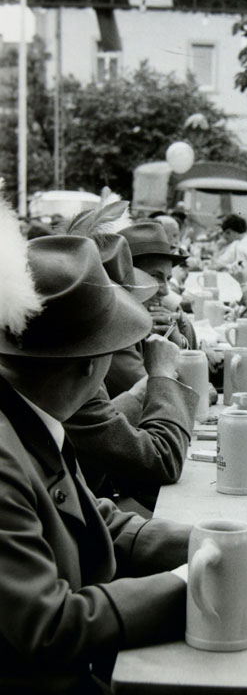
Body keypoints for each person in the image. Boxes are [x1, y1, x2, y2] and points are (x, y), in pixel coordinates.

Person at [0, 217, 193, 693]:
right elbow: (49, 627)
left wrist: (205, 541)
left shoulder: (31, 416)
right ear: (92, 364)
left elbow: (91, 517)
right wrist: (193, 582)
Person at [62, 234, 198, 515]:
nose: (161, 291)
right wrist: (161, 374)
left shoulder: (68, 370)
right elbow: (163, 461)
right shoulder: (77, 375)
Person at [105, 221, 197, 396]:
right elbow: (160, 397)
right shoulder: (117, 328)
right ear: (125, 279)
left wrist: (178, 343)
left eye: (167, 278)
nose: (165, 290)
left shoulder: (140, 320)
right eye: (154, 277)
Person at [212, 213, 247, 302]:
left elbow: (243, 272)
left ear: (229, 231)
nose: (224, 238)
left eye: (225, 234)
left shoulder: (241, 247)